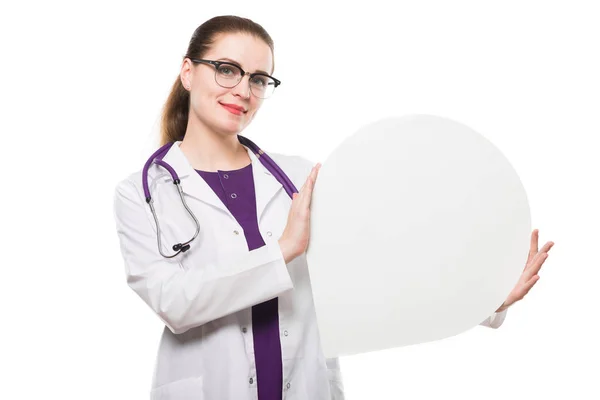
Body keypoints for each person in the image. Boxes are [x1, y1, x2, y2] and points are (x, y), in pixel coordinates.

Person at [113, 15, 554, 400]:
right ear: (188, 72)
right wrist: (284, 248)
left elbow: (377, 265)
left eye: (258, 79)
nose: (243, 90)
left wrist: (487, 299)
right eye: (226, 70)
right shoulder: (142, 193)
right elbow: (175, 304)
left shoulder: (300, 179)